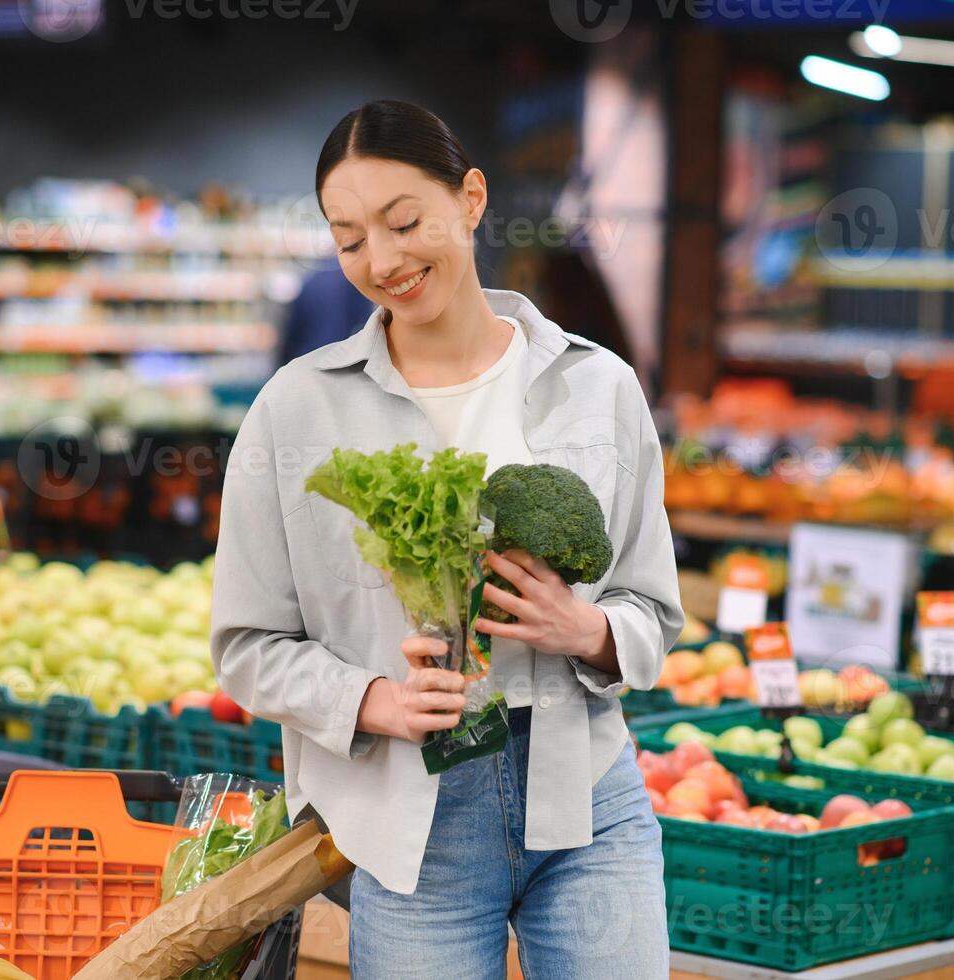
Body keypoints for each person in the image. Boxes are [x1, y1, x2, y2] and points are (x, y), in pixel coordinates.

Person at [210, 100, 682, 979]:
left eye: (403, 222)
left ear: (469, 200)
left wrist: (591, 632)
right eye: (349, 239)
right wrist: (370, 701)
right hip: (408, 816)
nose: (382, 262)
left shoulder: (597, 385)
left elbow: (655, 607)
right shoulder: (295, 407)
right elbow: (245, 646)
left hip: (584, 795)